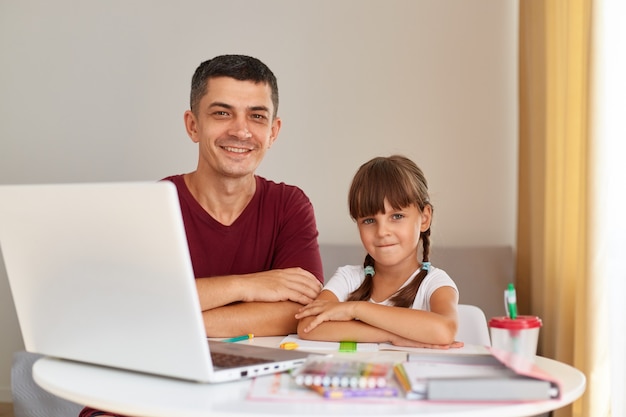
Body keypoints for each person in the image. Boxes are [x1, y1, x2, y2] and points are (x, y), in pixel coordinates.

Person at [79, 54, 324, 417]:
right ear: (193, 125)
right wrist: (247, 286)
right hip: (146, 388)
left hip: (243, 393)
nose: (241, 131)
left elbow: (303, 314)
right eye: (222, 113)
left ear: (273, 131)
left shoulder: (290, 205)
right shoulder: (155, 205)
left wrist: (175, 314)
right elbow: (133, 309)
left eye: (256, 116)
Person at [296, 155, 462, 349]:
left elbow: (444, 331)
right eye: (368, 220)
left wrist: (356, 309)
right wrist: (391, 335)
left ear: (424, 218)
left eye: (397, 216)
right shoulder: (348, 278)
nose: (382, 232)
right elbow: (308, 326)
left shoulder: (434, 283)